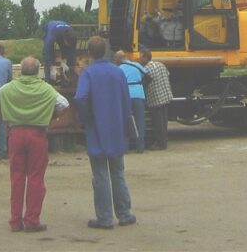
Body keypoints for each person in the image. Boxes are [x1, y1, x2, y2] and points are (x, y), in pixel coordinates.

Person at [0, 56, 69, 233]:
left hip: (16, 133)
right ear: (37, 71)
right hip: (37, 134)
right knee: (36, 178)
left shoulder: (9, 87)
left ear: (20, 71)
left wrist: (4, 117)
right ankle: (32, 220)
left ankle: (15, 221)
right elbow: (64, 105)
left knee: (17, 177)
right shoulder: (46, 89)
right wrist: (50, 117)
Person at [74, 35, 136, 230]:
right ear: (106, 51)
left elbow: (80, 97)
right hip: (117, 127)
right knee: (118, 172)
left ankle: (105, 218)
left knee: (100, 174)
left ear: (89, 53)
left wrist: (86, 118)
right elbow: (126, 100)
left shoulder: (88, 73)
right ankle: (124, 214)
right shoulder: (118, 72)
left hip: (97, 128)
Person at [138, 46, 173, 150]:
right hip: (166, 96)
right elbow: (168, 74)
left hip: (156, 98)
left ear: (145, 58)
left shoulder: (146, 69)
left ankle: (160, 143)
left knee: (158, 122)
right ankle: (164, 141)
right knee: (164, 121)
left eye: (140, 57)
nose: (139, 59)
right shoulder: (160, 64)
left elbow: (143, 82)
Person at [113, 50, 148, 152]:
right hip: (139, 95)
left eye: (115, 59)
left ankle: (125, 147)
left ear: (119, 58)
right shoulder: (137, 65)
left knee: (126, 121)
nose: (114, 61)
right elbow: (147, 75)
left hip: (126, 96)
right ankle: (140, 147)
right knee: (140, 121)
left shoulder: (119, 69)